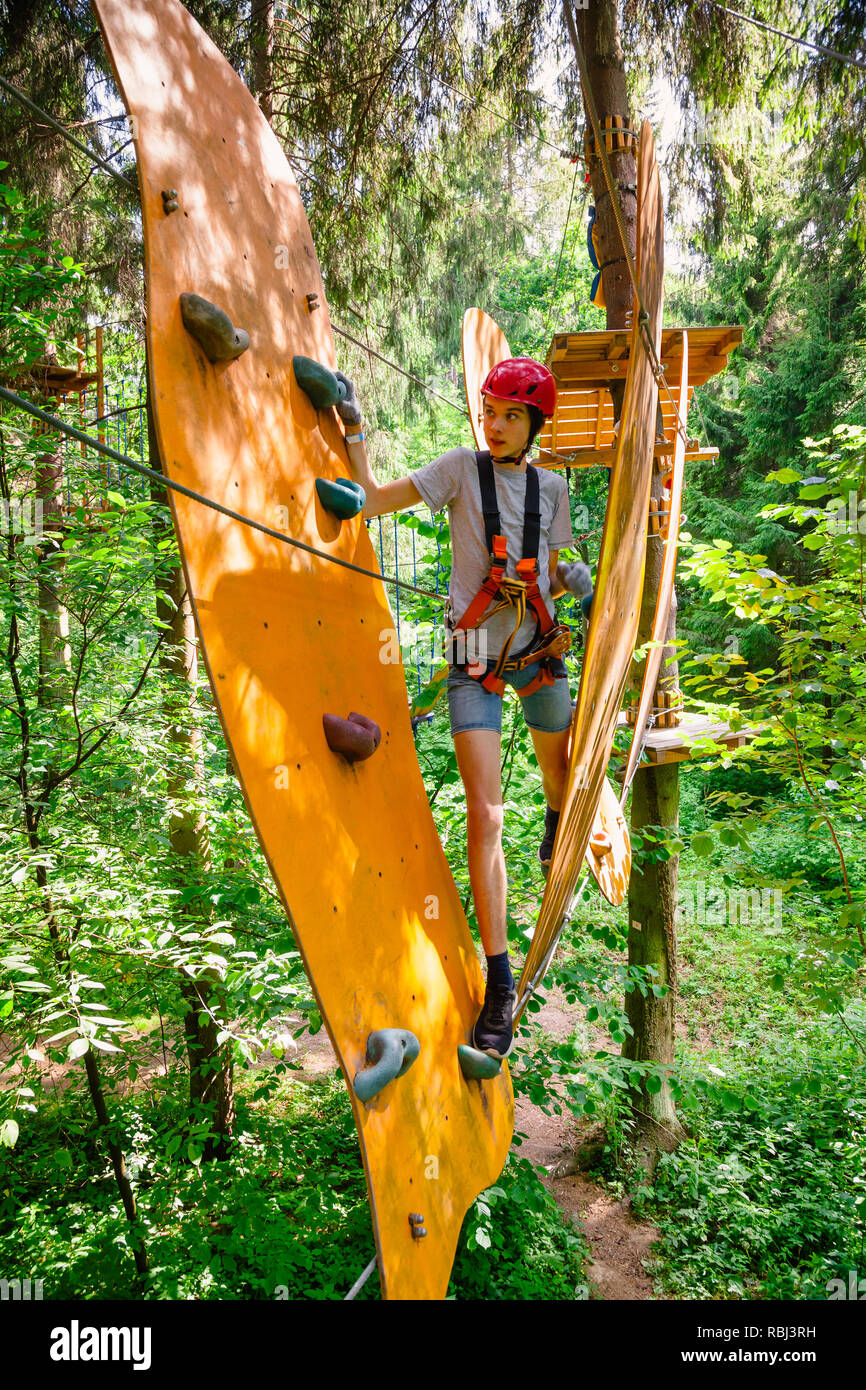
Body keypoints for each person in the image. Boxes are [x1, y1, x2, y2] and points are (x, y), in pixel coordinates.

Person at [337, 357, 585, 1061]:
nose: (495, 424)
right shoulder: (456, 469)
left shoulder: (552, 487)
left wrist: (579, 578)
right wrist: (354, 424)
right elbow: (373, 498)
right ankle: (499, 983)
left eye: (510, 414)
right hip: (474, 664)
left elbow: (561, 566)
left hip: (539, 659)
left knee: (558, 784)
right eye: (489, 410)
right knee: (486, 815)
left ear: (534, 424)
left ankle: (558, 820)